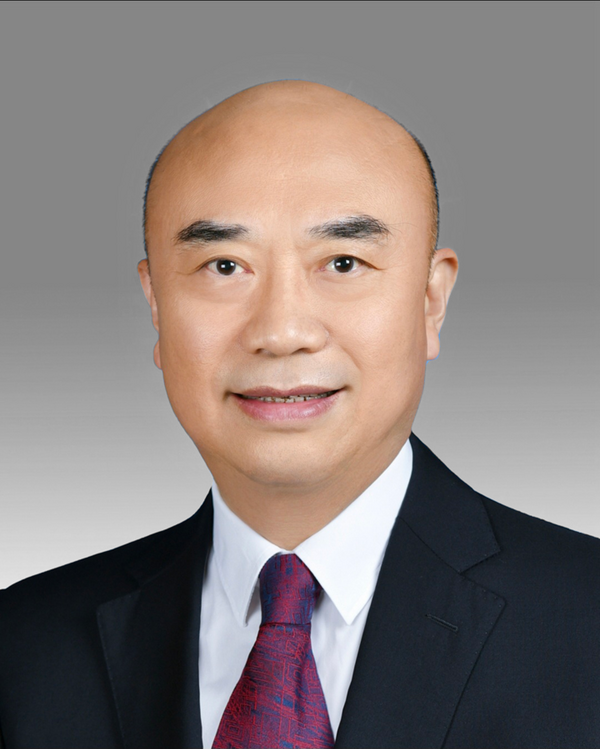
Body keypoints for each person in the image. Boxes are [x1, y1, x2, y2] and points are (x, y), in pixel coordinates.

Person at [0, 80, 598, 749]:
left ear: (431, 302)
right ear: (156, 306)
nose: (282, 332)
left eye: (343, 262)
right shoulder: (24, 646)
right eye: (224, 266)